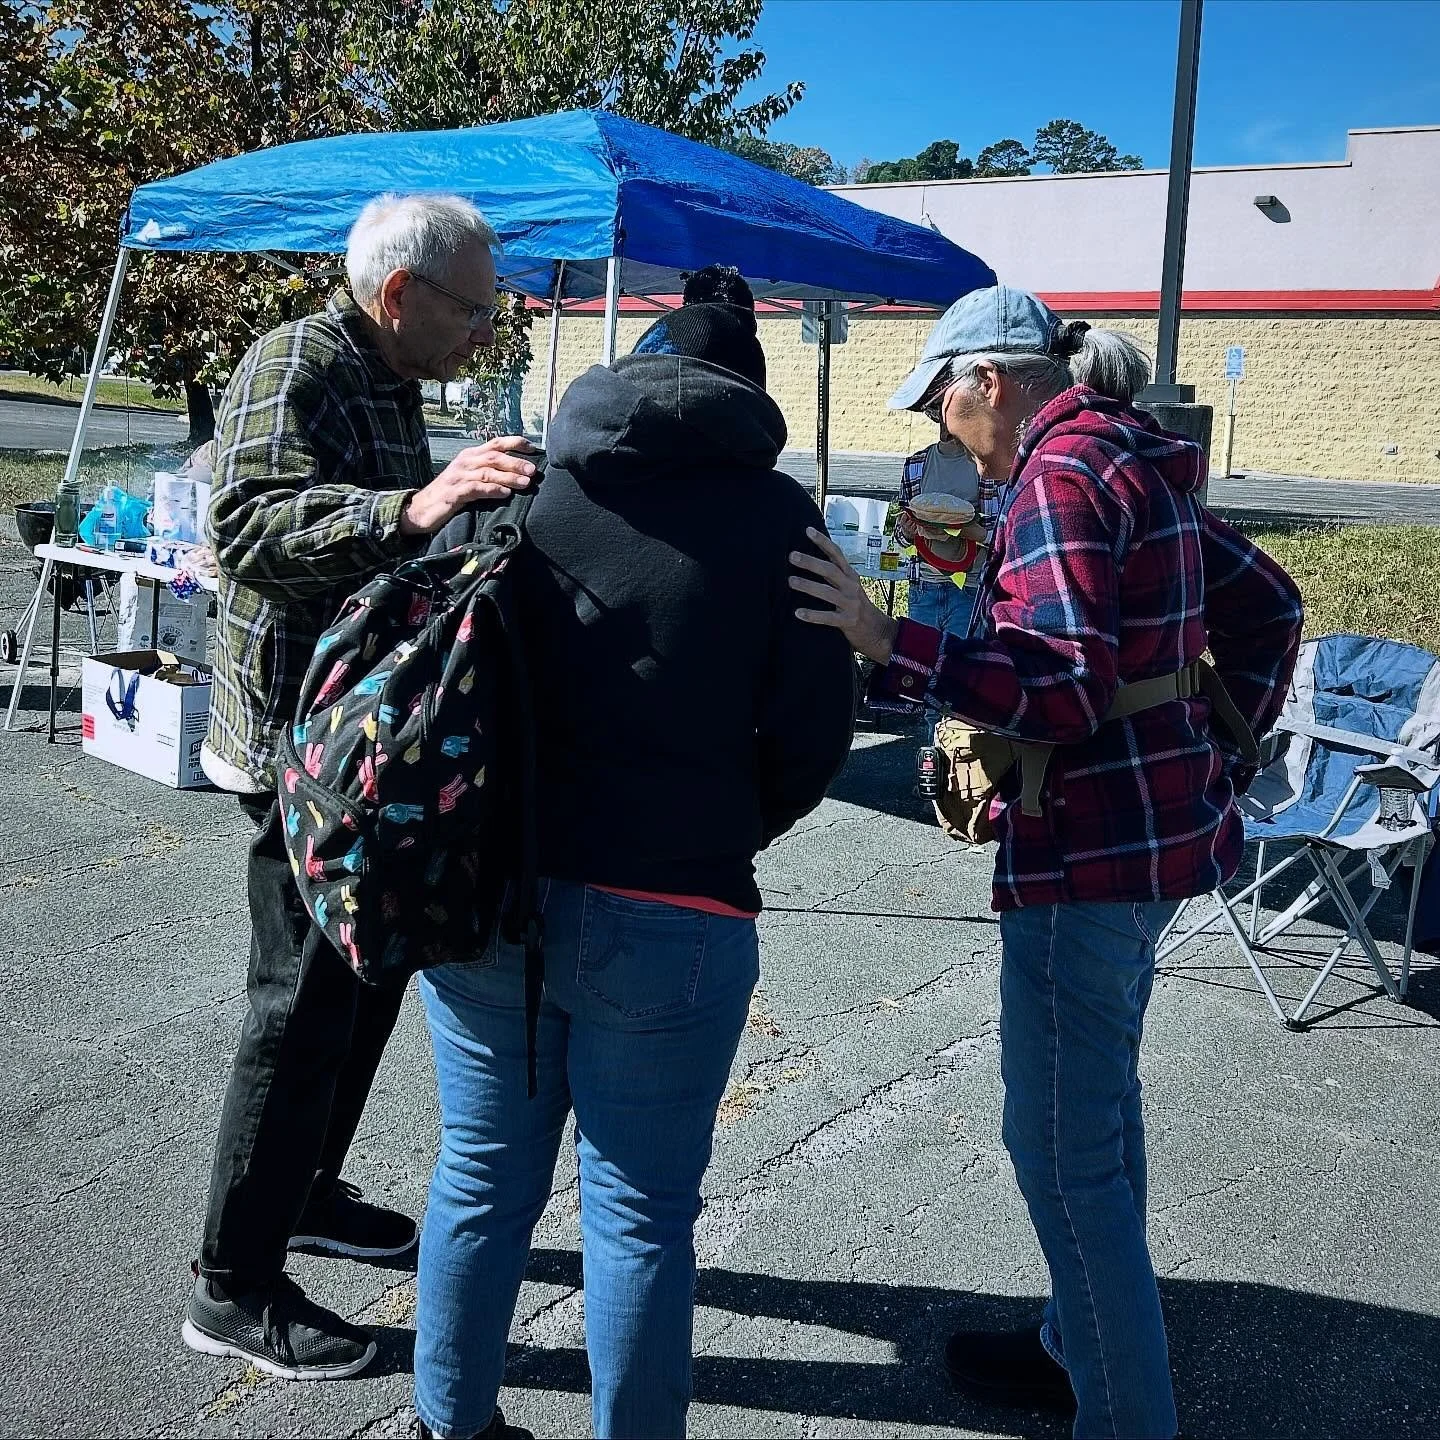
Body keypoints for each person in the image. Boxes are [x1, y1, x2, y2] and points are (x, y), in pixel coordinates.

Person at [790, 286, 1304, 1440]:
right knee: (1101, 1117)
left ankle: (1124, 1412)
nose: (937, 429)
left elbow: (1062, 687)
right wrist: (1210, 743)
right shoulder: (1133, 457)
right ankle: (1079, 1343)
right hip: (1159, 839)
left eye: (938, 402)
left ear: (988, 380)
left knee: (1067, 1159)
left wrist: (890, 642)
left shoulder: (1058, 479)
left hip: (1090, 854)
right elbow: (1269, 603)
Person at [413, 299, 856, 1440]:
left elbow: (436, 682)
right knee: (641, 1217)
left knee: (478, 1182)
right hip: (676, 905)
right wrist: (720, 827)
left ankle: (445, 1424)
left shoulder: (513, 480)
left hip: (487, 893)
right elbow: (812, 738)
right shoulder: (779, 517)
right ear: (749, 400)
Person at [184, 193, 540, 1382]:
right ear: (400, 295)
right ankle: (231, 1286)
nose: (484, 335)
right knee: (298, 1011)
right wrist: (415, 506)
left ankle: (308, 1190)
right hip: (298, 752)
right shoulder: (296, 359)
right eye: (475, 312)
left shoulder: (386, 374)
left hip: (355, 749)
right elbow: (243, 524)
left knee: (362, 983)